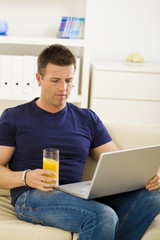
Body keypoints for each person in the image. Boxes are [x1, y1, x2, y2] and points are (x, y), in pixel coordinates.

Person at [0, 44, 159, 240]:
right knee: (103, 215)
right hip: (33, 196)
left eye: (68, 80)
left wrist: (144, 177)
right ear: (39, 79)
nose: (63, 88)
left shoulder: (87, 118)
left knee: (153, 197)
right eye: (55, 80)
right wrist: (26, 177)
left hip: (80, 195)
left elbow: (117, 162)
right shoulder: (14, 117)